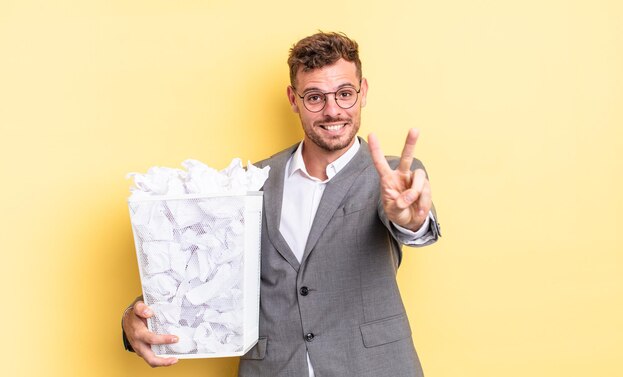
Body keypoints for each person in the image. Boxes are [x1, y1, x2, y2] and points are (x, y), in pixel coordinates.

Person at [122, 31, 441, 376]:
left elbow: (412, 223)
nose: (332, 110)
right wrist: (135, 318)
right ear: (293, 98)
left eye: (345, 94)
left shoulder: (394, 177)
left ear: (362, 92)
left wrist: (409, 220)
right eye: (315, 97)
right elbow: (199, 271)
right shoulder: (250, 181)